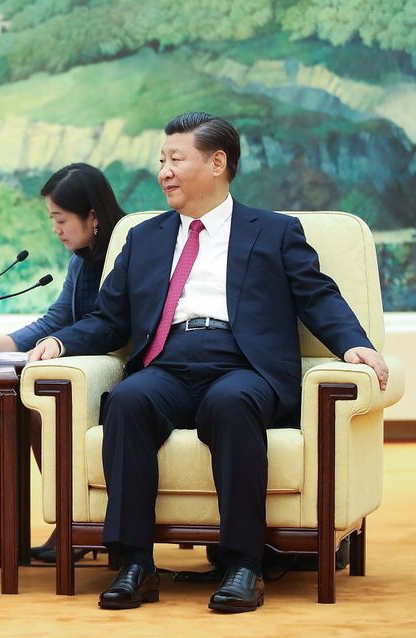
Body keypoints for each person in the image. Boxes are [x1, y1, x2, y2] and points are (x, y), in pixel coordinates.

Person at [29, 112, 389, 613]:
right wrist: (62, 344)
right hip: (168, 363)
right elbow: (110, 321)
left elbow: (318, 296)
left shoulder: (275, 231)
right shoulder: (144, 238)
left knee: (232, 401)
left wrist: (354, 344)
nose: (164, 172)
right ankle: (134, 564)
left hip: (244, 365)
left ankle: (244, 565)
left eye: (176, 159)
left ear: (217, 162)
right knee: (129, 400)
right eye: (161, 160)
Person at [0, 163, 125, 562]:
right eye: (53, 219)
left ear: (93, 216)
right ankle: (73, 518)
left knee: (42, 405)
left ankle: (79, 523)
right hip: (81, 370)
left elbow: (111, 326)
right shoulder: (81, 258)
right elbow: (58, 319)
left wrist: (57, 344)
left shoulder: (125, 253)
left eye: (61, 219)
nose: (56, 229)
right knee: (30, 407)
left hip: (119, 372)